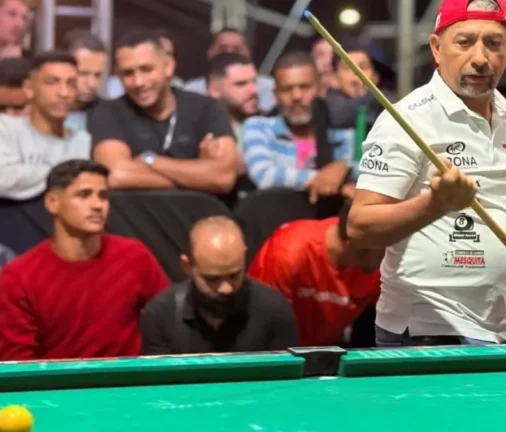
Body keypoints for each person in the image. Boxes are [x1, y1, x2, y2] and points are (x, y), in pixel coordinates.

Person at [348, 0, 506, 346]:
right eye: (465, 42)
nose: (481, 57)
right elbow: (360, 226)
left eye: (494, 43)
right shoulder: (407, 119)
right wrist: (433, 205)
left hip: (489, 329)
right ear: (437, 48)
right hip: (421, 332)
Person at [0, 160, 169, 360]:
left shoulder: (135, 256)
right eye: (84, 195)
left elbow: (167, 322)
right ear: (52, 202)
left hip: (129, 378)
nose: (98, 205)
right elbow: (17, 362)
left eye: (103, 196)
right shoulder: (19, 277)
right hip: (55, 380)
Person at [89, 29, 238, 194]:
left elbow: (224, 178)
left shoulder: (207, 108)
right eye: (128, 73)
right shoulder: (110, 112)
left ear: (168, 66)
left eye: (146, 69)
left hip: (199, 209)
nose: (138, 82)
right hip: (136, 210)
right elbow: (116, 175)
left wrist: (149, 160)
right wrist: (199, 179)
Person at [140, 216, 298, 355]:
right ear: (187, 266)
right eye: (212, 279)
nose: (226, 288)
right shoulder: (160, 315)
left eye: (234, 275)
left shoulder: (275, 310)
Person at [249, 204, 382, 347]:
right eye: (386, 248)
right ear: (359, 247)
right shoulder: (287, 256)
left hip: (331, 349)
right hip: (279, 349)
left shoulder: (374, 262)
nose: (390, 255)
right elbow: (262, 322)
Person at [242, 51, 356, 201]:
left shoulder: (342, 135)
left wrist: (343, 167)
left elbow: (366, 173)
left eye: (304, 87)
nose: (296, 96)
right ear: (275, 94)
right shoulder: (259, 128)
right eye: (287, 89)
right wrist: (334, 180)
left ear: (320, 89)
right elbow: (264, 175)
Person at [0, 51, 91, 201]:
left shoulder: (83, 141)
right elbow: (4, 179)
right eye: (52, 82)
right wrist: (69, 174)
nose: (64, 93)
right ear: (29, 89)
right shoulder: (6, 129)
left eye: (71, 84)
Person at [185, 28, 276, 113]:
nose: (229, 52)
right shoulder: (192, 89)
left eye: (236, 49)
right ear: (210, 52)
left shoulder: (269, 88)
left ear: (248, 52)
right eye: (222, 48)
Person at [206, 52, 260, 148]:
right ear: (214, 89)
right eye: (241, 84)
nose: (254, 90)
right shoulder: (199, 132)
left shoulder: (271, 127)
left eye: (254, 82)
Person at [63, 30, 108, 131]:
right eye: (83, 73)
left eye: (97, 75)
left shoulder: (110, 116)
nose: (92, 84)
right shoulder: (37, 112)